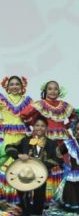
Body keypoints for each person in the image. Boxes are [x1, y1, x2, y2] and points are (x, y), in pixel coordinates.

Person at [21, 80, 75, 202]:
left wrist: (65, 127)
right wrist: (35, 127)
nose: (53, 91)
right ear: (45, 91)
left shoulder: (64, 105)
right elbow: (24, 115)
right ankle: (43, 198)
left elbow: (74, 116)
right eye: (50, 89)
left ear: (59, 91)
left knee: (62, 164)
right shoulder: (40, 104)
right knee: (45, 165)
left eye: (55, 89)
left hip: (61, 139)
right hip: (45, 140)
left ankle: (60, 196)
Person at [5, 116, 60, 216]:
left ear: (47, 128)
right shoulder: (25, 140)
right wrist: (19, 155)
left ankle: (36, 209)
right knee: (23, 189)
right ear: (33, 127)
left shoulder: (52, 143)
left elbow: (58, 159)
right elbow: (9, 147)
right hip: (26, 172)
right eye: (37, 125)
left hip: (41, 173)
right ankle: (24, 209)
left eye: (43, 126)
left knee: (39, 199)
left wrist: (41, 164)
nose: (39, 128)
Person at [0, 76, 33, 207]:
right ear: (7, 87)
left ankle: (20, 199)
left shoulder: (28, 101)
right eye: (11, 84)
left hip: (22, 137)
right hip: (7, 137)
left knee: (21, 166)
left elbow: (33, 117)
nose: (14, 86)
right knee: (5, 164)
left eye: (17, 84)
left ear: (22, 86)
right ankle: (5, 197)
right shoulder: (2, 100)